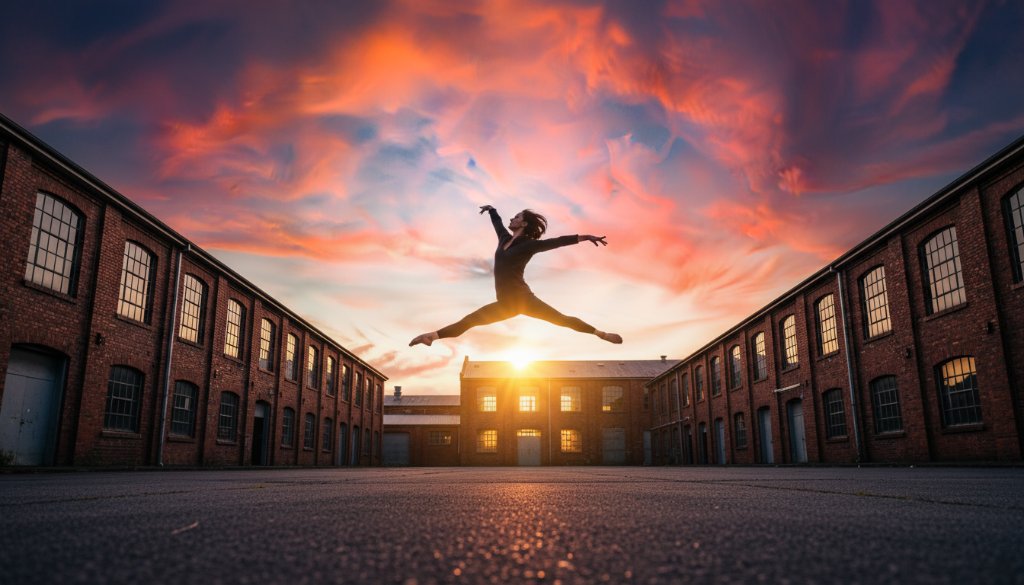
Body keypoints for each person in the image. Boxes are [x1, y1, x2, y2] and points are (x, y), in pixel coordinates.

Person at [409, 205, 623, 346]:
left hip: (524, 299)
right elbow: (498, 223)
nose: (513, 218)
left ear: (524, 223)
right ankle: (432, 336)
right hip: (505, 305)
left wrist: (585, 237)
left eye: (517, 216)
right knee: (470, 320)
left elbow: (557, 241)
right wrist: (492, 210)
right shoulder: (503, 239)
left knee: (561, 320)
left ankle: (601, 334)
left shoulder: (530, 245)